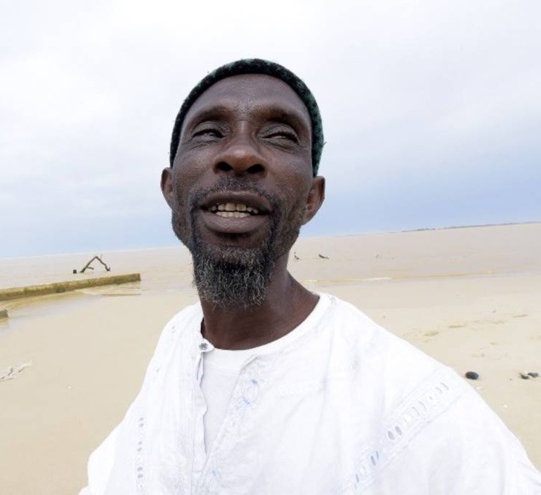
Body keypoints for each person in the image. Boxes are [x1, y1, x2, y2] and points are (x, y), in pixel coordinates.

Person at [80, 59, 541, 494]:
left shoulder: (418, 408)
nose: (240, 153)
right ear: (170, 189)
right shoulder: (177, 342)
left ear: (311, 200)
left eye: (279, 136)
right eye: (210, 132)